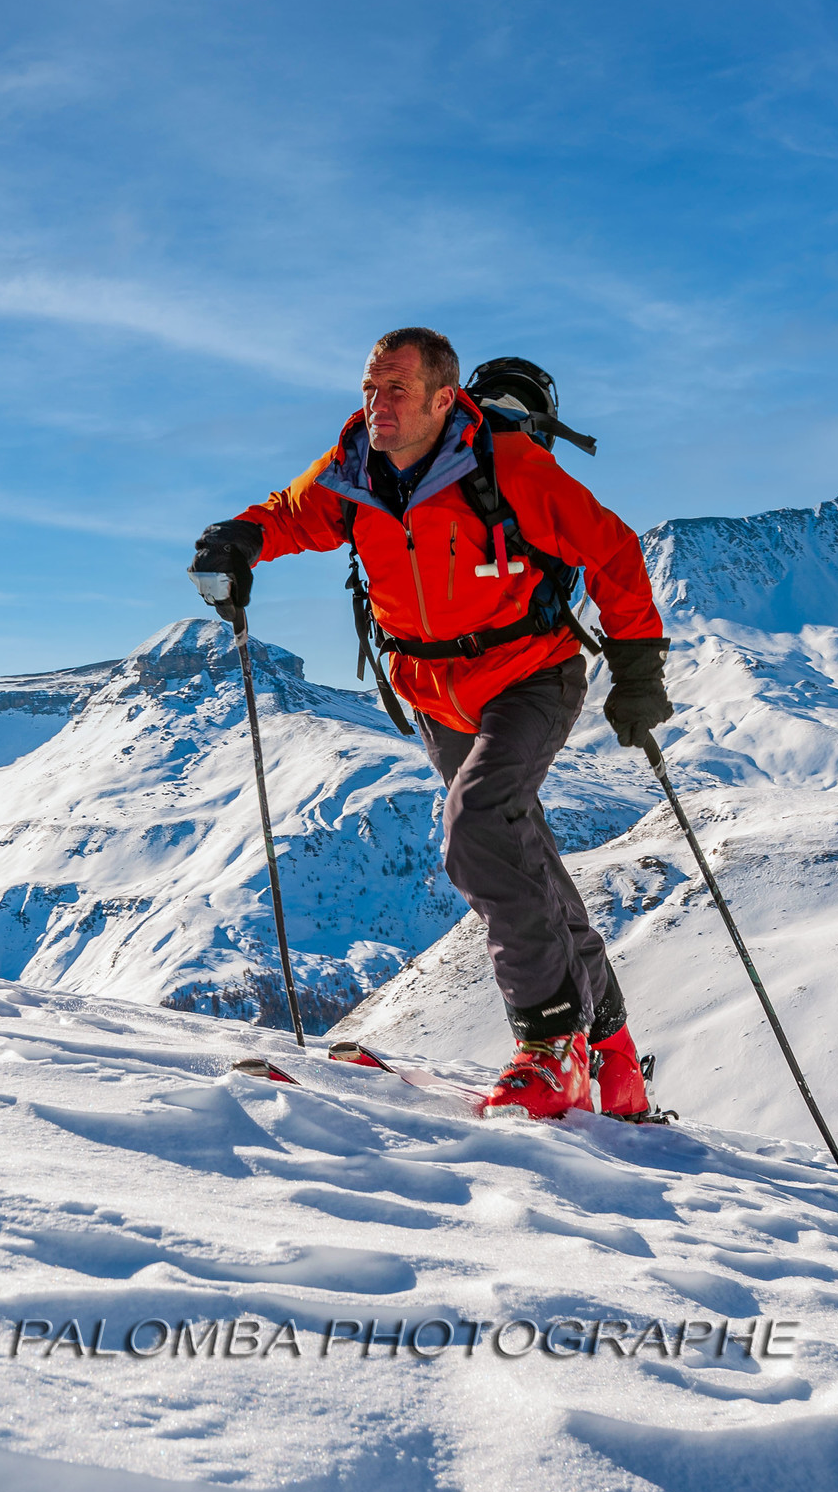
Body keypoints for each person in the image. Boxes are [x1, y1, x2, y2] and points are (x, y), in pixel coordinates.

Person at [189, 327, 672, 1121]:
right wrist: (242, 538)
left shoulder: (510, 468)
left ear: (446, 399)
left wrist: (639, 671)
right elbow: (292, 515)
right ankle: (613, 1056)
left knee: (479, 824)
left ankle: (551, 1045)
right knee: (519, 850)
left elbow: (613, 550)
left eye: (396, 391)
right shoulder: (355, 465)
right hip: (434, 690)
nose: (376, 405)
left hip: (529, 675)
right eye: (369, 388)